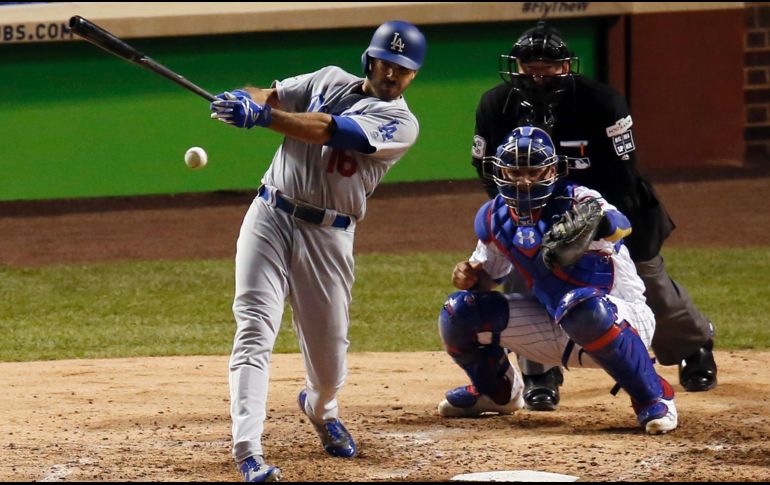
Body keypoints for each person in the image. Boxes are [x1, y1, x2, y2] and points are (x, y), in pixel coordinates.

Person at [209, 20, 426, 482]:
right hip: (269, 213)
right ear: (370, 59)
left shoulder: (402, 124)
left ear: (413, 76)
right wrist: (246, 99)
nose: (392, 75)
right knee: (254, 328)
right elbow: (270, 93)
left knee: (328, 365)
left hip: (328, 236)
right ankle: (248, 451)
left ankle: (321, 407)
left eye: (403, 70)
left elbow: (330, 130)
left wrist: (264, 118)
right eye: (386, 63)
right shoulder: (327, 78)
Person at [469, 21, 716, 411]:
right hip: (533, 211)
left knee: (650, 284)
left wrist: (591, 224)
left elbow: (624, 171)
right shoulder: (495, 104)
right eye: (528, 63)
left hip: (612, 207)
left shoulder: (602, 101)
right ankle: (540, 375)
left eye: (548, 65)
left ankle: (693, 346)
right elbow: (487, 170)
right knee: (524, 280)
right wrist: (520, 220)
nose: (537, 72)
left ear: (567, 66)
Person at [438, 126, 678, 435]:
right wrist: (469, 275)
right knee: (459, 312)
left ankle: (653, 397)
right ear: (499, 172)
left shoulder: (579, 200)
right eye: (514, 172)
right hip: (554, 324)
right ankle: (497, 393)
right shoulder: (494, 217)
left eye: (533, 171)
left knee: (579, 305)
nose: (523, 181)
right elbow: (486, 278)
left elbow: (621, 225)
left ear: (552, 169)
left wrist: (596, 223)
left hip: (621, 321)